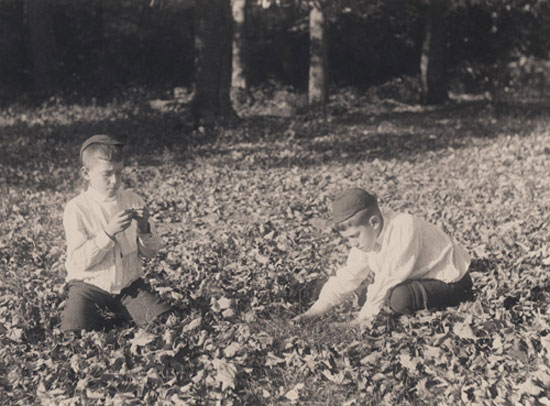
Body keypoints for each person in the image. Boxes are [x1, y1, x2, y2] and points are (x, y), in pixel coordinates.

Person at [294, 188, 473, 329]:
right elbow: (347, 276)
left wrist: (362, 321)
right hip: (414, 276)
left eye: (354, 236)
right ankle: (377, 303)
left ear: (374, 222)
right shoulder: (367, 237)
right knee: (366, 294)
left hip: (451, 282)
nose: (352, 244)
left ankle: (390, 305)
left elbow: (389, 277)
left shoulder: (403, 226)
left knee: (398, 298)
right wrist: (312, 313)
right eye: (348, 238)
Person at [60, 134, 172, 332]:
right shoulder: (77, 208)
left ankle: (120, 314)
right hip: (89, 287)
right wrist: (108, 233)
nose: (115, 181)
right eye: (107, 174)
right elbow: (78, 261)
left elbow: (151, 253)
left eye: (119, 173)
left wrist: (144, 227)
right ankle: (108, 317)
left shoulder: (132, 200)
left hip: (129, 286)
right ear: (86, 174)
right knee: (74, 331)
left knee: (164, 322)